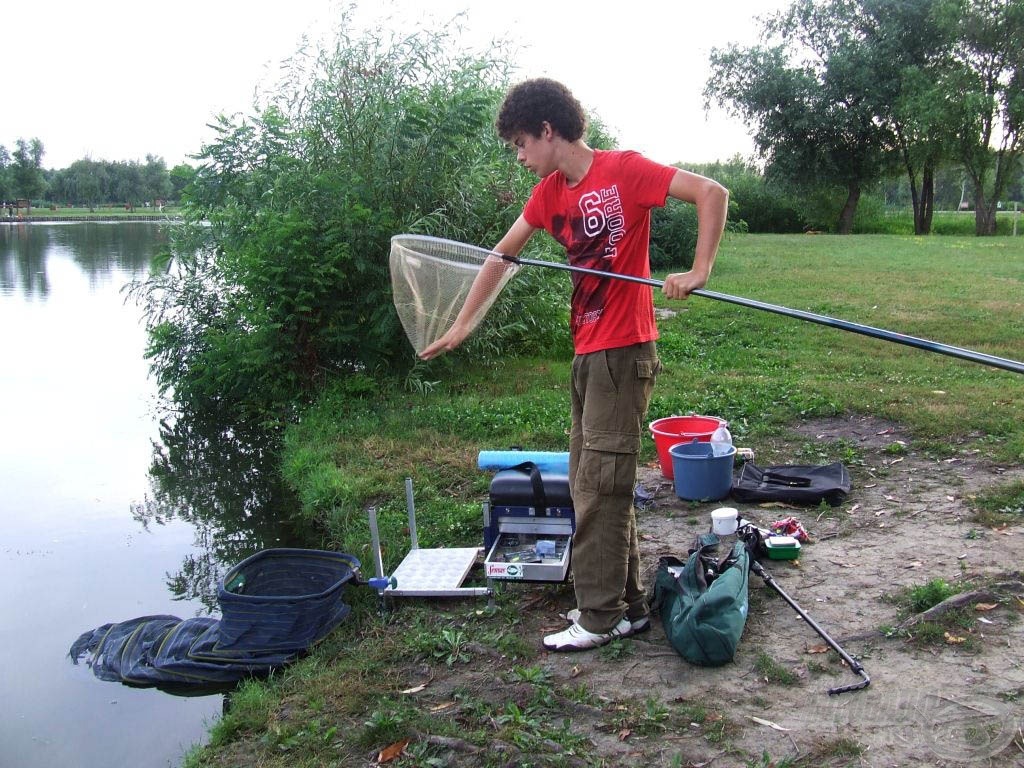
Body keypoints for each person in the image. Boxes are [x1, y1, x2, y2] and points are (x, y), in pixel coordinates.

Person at [420, 78, 729, 651]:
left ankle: (598, 617)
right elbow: (501, 257)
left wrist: (698, 270)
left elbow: (711, 191)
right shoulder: (550, 195)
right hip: (587, 355)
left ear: (547, 130)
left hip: (623, 350)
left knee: (598, 490)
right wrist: (463, 325)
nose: (519, 156)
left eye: (520, 143)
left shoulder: (625, 170)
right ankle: (629, 606)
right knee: (598, 484)